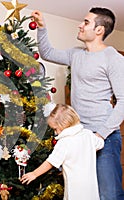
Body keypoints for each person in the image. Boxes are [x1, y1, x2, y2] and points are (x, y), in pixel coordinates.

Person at [31, 8, 124, 199]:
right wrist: (41, 27)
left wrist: (100, 134)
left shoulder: (113, 58)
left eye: (86, 22)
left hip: (104, 138)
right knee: (82, 192)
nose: (80, 25)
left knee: (109, 195)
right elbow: (47, 53)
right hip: (79, 135)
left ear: (99, 30)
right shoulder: (76, 54)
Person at [21, 104, 104, 200]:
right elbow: (100, 143)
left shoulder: (64, 142)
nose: (55, 133)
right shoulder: (88, 134)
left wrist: (34, 174)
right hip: (91, 190)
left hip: (75, 192)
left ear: (64, 124)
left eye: (55, 129)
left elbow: (51, 162)